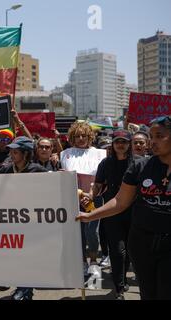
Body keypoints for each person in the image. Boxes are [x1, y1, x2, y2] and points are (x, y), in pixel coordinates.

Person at [77, 116, 171, 300]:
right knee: (149, 294)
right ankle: (119, 287)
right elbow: (120, 201)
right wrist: (90, 215)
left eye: (160, 136)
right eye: (152, 136)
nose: (153, 141)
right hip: (143, 244)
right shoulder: (140, 166)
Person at [84, 130, 139, 299]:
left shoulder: (138, 163)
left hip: (134, 212)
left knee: (129, 250)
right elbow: (98, 184)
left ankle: (122, 278)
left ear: (129, 144)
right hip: (112, 211)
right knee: (117, 251)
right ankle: (119, 288)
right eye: (117, 142)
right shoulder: (106, 163)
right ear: (113, 145)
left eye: (124, 141)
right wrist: (91, 196)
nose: (120, 145)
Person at [0, 136, 47, 300]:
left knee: (27, 256)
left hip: (31, 222)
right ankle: (22, 288)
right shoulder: (6, 170)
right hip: (10, 222)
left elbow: (51, 192)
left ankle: (25, 290)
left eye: (16, 151)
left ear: (26, 154)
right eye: (11, 151)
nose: (12, 154)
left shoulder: (38, 171)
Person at [61, 122, 106, 277]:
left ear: (90, 137)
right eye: (77, 136)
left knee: (92, 231)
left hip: (94, 198)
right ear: (72, 137)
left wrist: (91, 195)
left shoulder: (101, 154)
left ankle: (93, 261)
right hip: (73, 199)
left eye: (84, 135)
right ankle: (82, 262)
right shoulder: (65, 153)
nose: (81, 138)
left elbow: (102, 178)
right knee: (77, 232)